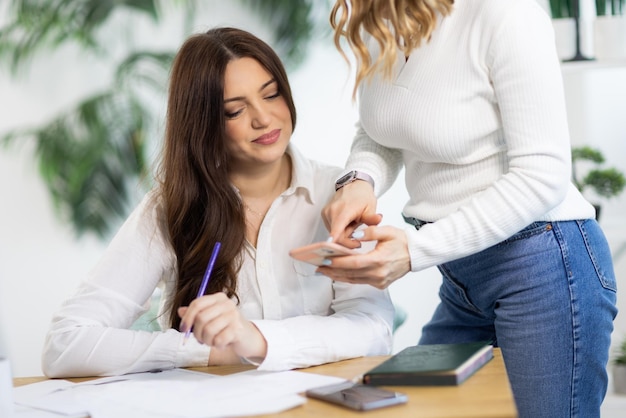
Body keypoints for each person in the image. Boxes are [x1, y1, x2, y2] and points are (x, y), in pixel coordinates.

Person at [320, 1, 618, 417]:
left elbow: (543, 173)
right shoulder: (381, 18)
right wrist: (359, 179)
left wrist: (415, 250)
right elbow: (381, 128)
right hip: (462, 274)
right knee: (406, 409)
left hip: (543, 266)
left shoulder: (504, 14)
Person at [42, 27, 394, 378]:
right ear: (204, 124)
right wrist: (203, 351)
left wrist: (254, 339)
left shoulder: (339, 194)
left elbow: (373, 329)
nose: (263, 118)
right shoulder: (171, 208)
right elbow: (65, 344)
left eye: (271, 95)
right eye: (234, 111)